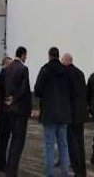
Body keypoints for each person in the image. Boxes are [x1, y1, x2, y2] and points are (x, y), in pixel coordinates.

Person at [35, 46, 73, 177]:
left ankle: (50, 174)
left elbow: (38, 91)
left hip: (49, 114)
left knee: (49, 145)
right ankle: (64, 173)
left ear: (49, 55)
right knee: (63, 145)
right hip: (63, 114)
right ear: (58, 55)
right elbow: (71, 91)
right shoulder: (66, 71)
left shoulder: (44, 70)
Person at [4, 46, 31, 177]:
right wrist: (15, 99)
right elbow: (24, 89)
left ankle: (9, 167)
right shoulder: (23, 69)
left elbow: (6, 86)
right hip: (20, 110)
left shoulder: (8, 68)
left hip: (10, 109)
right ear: (22, 55)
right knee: (18, 141)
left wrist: (9, 99)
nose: (26, 58)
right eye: (25, 55)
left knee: (13, 139)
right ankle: (12, 171)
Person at [62, 53, 88, 177]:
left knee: (72, 143)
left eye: (62, 61)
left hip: (70, 114)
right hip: (80, 114)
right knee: (80, 142)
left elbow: (67, 94)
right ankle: (82, 170)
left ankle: (77, 169)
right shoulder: (80, 73)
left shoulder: (65, 74)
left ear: (67, 61)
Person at [0, 55, 13, 173]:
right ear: (6, 64)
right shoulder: (4, 76)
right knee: (3, 139)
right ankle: (1, 164)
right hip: (4, 112)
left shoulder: (2, 75)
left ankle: (0, 163)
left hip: (1, 111)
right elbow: (7, 95)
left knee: (2, 139)